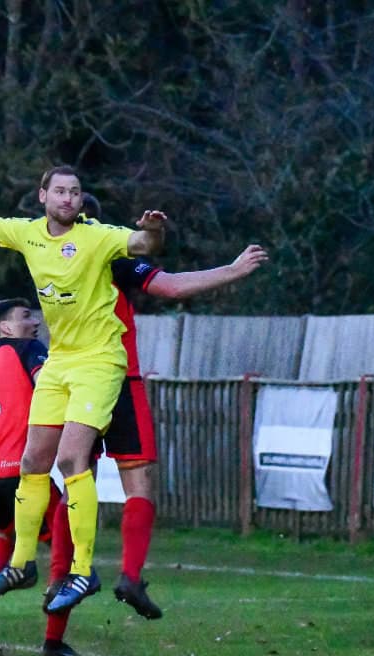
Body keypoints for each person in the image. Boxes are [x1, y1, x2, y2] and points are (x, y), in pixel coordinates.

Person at [0, 158, 165, 613]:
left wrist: (154, 230)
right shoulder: (29, 233)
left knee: (71, 459)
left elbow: (143, 244)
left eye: (75, 191)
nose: (68, 198)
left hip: (99, 361)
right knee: (33, 462)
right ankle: (23, 563)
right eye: (60, 191)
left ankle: (83, 569)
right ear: (43, 196)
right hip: (60, 360)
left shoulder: (97, 236)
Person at [80, 192, 269, 619]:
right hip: (117, 379)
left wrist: (154, 234)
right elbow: (171, 285)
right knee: (138, 484)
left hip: (71, 381)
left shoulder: (48, 260)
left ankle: (65, 573)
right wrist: (234, 270)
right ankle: (129, 576)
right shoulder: (111, 257)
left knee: (75, 479)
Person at [0, 298, 78, 656]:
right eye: (26, 317)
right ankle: (52, 642)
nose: (35, 322)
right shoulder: (28, 349)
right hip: (21, 471)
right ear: (5, 328)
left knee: (4, 537)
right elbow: (48, 388)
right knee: (68, 543)